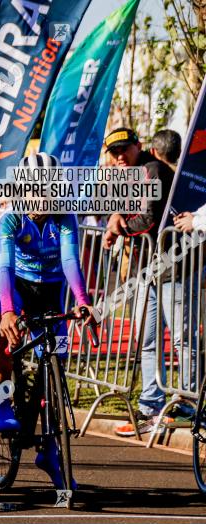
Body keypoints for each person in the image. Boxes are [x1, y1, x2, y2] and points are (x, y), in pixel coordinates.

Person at [0, 152, 95, 490]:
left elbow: (69, 261)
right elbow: (4, 267)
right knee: (5, 337)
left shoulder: (65, 216)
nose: (43, 197)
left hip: (49, 291)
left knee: (55, 363)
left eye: (49, 189)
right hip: (15, 288)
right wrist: (8, 311)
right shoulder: (10, 219)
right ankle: (2, 402)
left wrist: (82, 301)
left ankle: (50, 450)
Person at [100, 129, 193, 436]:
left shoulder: (152, 170)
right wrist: (116, 217)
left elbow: (148, 219)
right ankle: (151, 406)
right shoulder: (132, 174)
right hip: (149, 272)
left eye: (124, 150)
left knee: (182, 338)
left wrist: (119, 227)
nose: (119, 157)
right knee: (148, 341)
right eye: (114, 152)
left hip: (174, 268)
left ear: (140, 147)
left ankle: (189, 407)